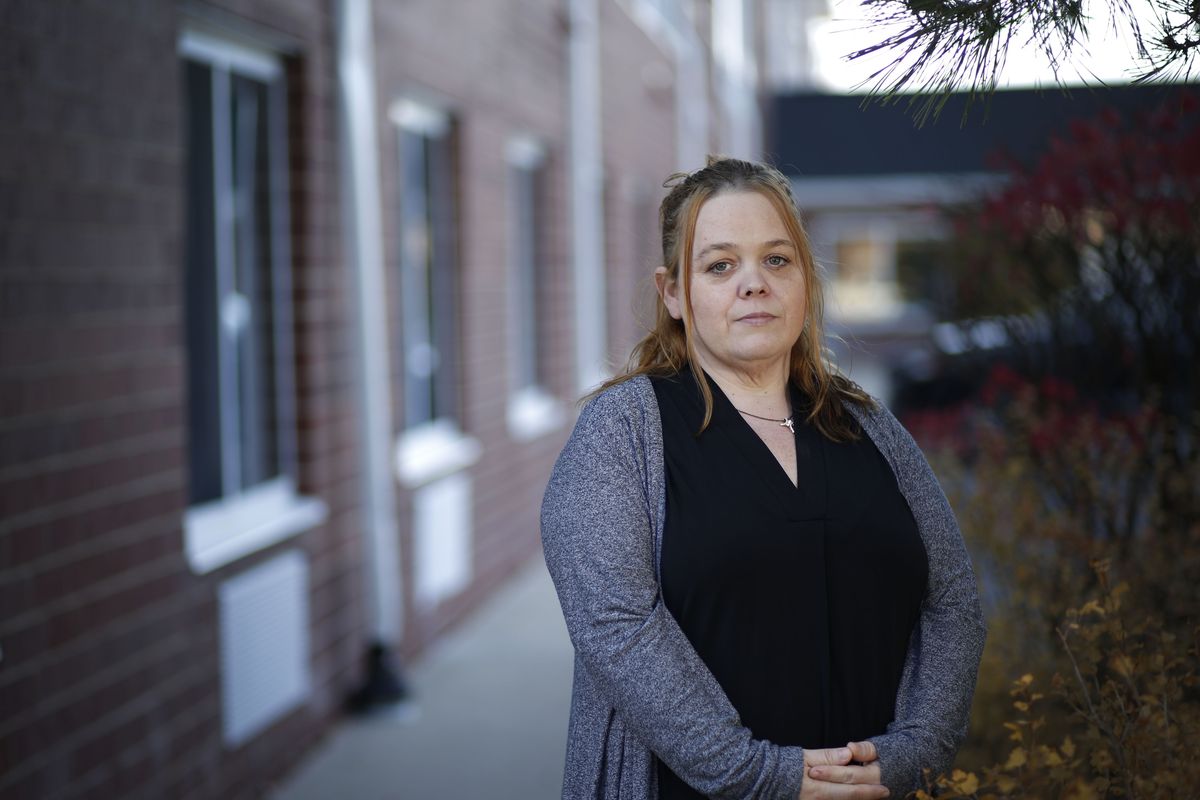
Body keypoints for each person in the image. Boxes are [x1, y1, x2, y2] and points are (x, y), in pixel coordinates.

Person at [541, 156, 985, 800]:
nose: (754, 283)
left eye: (777, 259)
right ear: (673, 293)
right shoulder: (623, 433)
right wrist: (763, 776)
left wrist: (915, 751)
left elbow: (953, 600)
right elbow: (616, 626)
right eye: (721, 265)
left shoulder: (866, 423)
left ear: (806, 278)